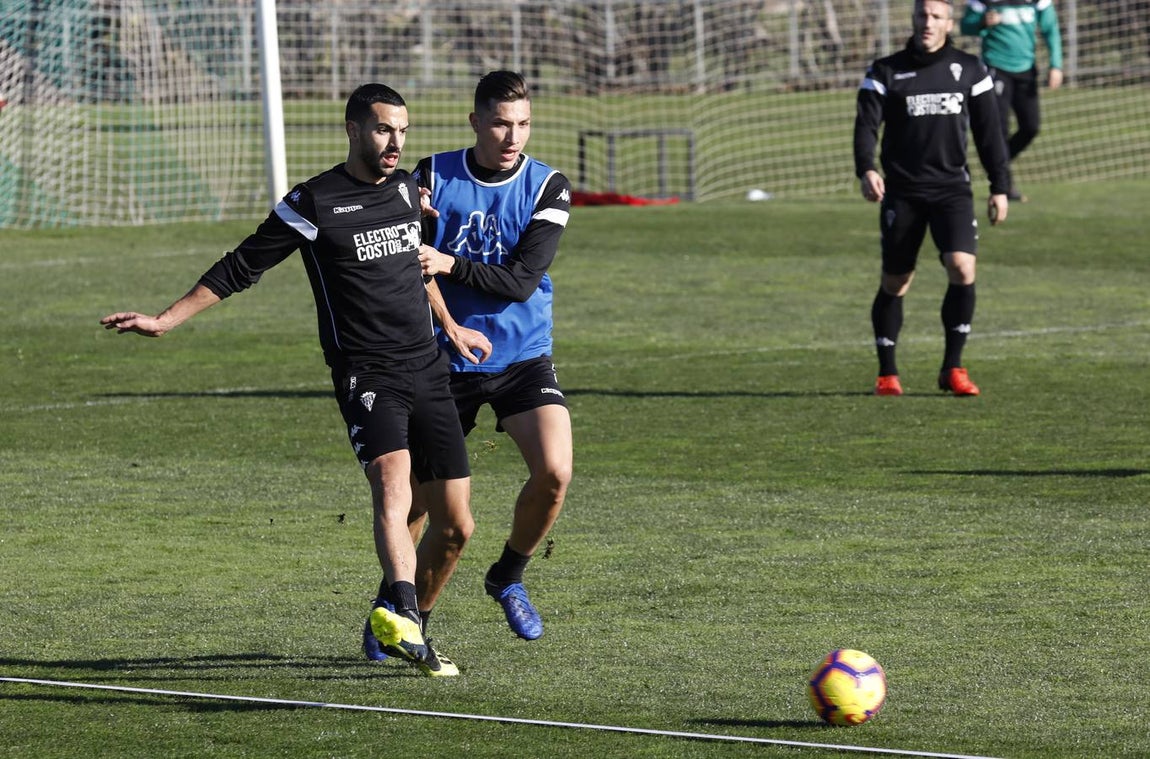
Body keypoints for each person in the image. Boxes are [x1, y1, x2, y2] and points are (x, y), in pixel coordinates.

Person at [101, 83, 491, 678]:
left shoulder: (409, 191)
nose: (395, 143)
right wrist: (165, 319)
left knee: (457, 524)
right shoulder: (314, 202)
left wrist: (451, 325)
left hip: (428, 366)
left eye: (403, 131)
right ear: (354, 129)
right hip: (366, 370)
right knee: (393, 483)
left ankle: (392, 617)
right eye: (385, 130)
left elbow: (417, 267)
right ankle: (407, 622)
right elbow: (241, 265)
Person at [363, 70, 572, 656]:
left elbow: (521, 282)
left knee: (555, 472)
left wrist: (448, 262)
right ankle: (394, 605)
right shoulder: (429, 175)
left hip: (521, 355)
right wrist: (405, 209)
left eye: (524, 123)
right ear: (476, 121)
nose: (513, 135)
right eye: (502, 122)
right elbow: (401, 253)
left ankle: (507, 575)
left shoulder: (548, 187)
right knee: (425, 504)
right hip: (440, 361)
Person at [854, 0, 1011, 398]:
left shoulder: (970, 69)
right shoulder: (885, 70)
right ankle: (887, 372)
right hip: (902, 192)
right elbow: (866, 125)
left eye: (936, 16)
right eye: (922, 15)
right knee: (896, 280)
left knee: (962, 268)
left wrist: (1000, 186)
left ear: (949, 22)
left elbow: (990, 132)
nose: (928, 22)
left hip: (952, 190)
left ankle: (953, 368)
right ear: (913, 19)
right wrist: (866, 168)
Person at [960, 0, 1063, 202]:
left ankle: (997, 163)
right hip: (996, 68)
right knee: (999, 129)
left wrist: (1056, 64)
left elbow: (1051, 29)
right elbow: (965, 26)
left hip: (1026, 69)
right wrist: (982, 22)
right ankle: (1004, 185)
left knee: (1031, 127)